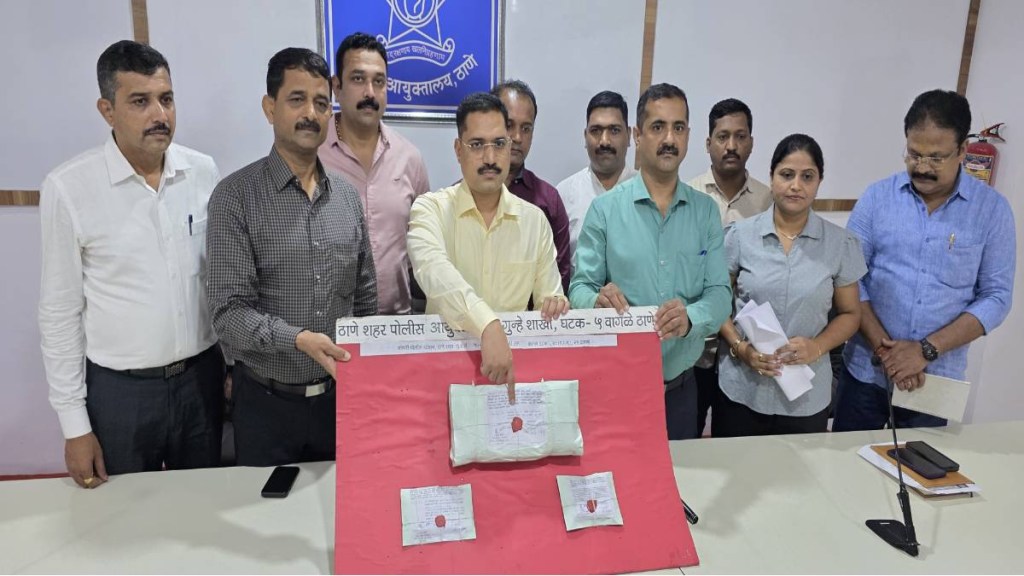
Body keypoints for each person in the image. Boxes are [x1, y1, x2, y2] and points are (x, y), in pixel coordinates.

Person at [38, 40, 224, 488]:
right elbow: (59, 314)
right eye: (140, 101)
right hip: (121, 395)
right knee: (121, 519)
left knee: (202, 508)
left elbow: (220, 281)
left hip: (201, 381)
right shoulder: (69, 188)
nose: (160, 115)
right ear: (107, 110)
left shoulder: (203, 172)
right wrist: (74, 426)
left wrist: (232, 367)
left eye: (166, 98)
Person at [206, 48, 376, 466]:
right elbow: (228, 313)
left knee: (341, 503)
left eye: (321, 103)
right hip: (266, 405)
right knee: (266, 504)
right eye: (296, 100)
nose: (310, 114)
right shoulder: (235, 197)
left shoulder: (347, 198)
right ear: (270, 108)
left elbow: (365, 297)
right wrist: (297, 340)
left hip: (340, 401)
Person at [834, 89, 1016, 431]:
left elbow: (996, 298)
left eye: (936, 158)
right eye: (914, 154)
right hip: (866, 372)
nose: (922, 167)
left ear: (962, 150)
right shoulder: (877, 198)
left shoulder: (992, 211)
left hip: (935, 379)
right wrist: (887, 353)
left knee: (920, 464)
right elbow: (849, 277)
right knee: (844, 460)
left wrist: (925, 351)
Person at [569, 83, 732, 440]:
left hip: (680, 391)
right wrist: (596, 301)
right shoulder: (605, 210)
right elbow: (579, 287)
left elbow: (721, 294)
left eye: (678, 127)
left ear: (688, 135)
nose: (669, 139)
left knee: (679, 474)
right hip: (614, 389)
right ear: (638, 135)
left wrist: (691, 317)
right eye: (658, 127)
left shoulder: (705, 212)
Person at [407, 92, 568, 403]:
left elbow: (549, 300)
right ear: (458, 150)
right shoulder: (430, 210)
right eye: (477, 145)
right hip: (442, 382)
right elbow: (433, 272)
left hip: (512, 383)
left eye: (499, 144)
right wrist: (487, 325)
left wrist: (555, 305)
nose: (490, 158)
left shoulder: (534, 221)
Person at [714, 134, 866, 437]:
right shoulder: (739, 236)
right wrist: (742, 348)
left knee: (799, 468)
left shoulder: (840, 244)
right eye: (786, 174)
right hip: (743, 389)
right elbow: (716, 302)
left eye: (807, 176)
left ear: (819, 182)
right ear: (771, 178)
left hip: (805, 398)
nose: (796, 185)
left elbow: (851, 314)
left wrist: (817, 346)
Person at [320, 32, 430, 315]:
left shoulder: (410, 159)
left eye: (378, 81)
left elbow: (423, 246)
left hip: (397, 324)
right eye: (358, 79)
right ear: (336, 87)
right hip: (329, 328)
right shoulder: (314, 155)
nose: (370, 92)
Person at [687, 98, 772, 438]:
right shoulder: (688, 194)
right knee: (685, 437)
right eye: (723, 137)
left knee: (732, 442)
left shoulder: (768, 201)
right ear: (708, 143)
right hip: (694, 345)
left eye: (740, 136)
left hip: (744, 348)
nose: (731, 146)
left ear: (751, 142)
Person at [491, 80, 572, 292]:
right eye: (509, 125)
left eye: (526, 128)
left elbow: (560, 278)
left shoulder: (548, 200)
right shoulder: (460, 196)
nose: (517, 137)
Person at [556, 90, 637, 269]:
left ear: (629, 135)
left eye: (614, 130)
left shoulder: (647, 191)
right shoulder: (564, 194)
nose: (604, 141)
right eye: (596, 131)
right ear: (585, 136)